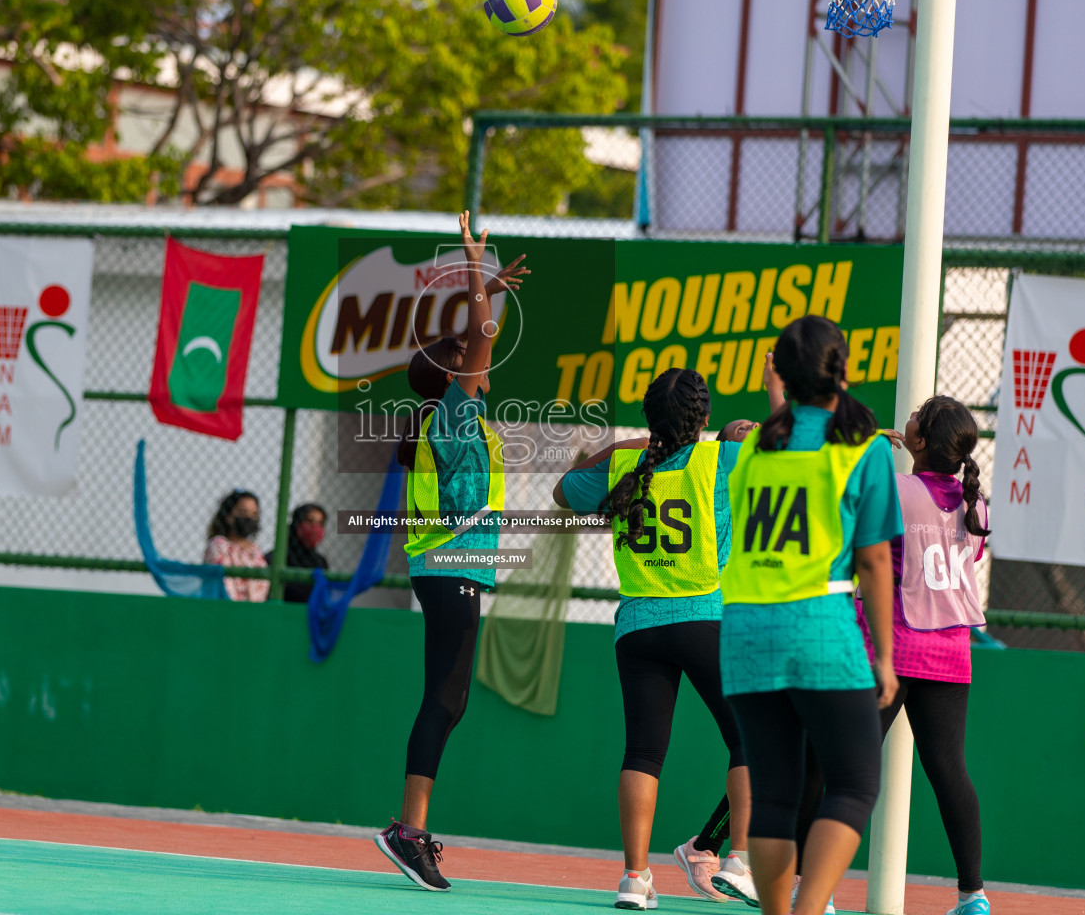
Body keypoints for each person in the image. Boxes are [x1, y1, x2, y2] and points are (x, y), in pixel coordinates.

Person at [551, 368, 762, 910]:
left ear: (649, 421)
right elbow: (795, 453)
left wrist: (630, 443)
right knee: (749, 741)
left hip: (638, 625)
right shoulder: (721, 460)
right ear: (705, 419)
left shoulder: (625, 463)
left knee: (644, 750)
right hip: (703, 617)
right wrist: (747, 430)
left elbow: (562, 490)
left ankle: (634, 879)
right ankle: (737, 859)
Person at [719, 317, 902, 915]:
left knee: (773, 796)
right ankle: (807, 909)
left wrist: (779, 396)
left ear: (783, 378)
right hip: (818, 625)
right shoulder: (864, 449)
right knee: (853, 783)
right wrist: (884, 656)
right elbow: (874, 561)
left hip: (745, 630)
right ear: (841, 371)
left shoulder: (751, 449)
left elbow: (789, 435)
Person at [374, 211, 529, 892]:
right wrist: (478, 273)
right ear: (452, 372)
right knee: (445, 697)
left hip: (445, 569)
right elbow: (482, 335)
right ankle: (408, 830)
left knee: (448, 697)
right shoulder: (455, 411)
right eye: (465, 358)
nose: (478, 362)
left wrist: (487, 287)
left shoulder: (452, 417)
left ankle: (410, 826)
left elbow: (478, 338)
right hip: (450, 569)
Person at [794, 396, 992, 915]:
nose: (911, 413)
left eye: (919, 414)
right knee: (950, 770)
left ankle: (814, 889)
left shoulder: (895, 488)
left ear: (921, 441)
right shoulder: (977, 504)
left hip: (890, 647)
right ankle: (973, 896)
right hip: (950, 654)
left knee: (832, 764)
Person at [203, 489, 269, 601]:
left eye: (254, 514)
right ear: (228, 516)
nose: (249, 518)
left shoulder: (255, 551)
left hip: (252, 613)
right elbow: (224, 584)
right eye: (243, 512)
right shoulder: (219, 545)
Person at [265, 503, 330, 604]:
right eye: (309, 521)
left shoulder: (320, 562)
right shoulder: (276, 558)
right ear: (297, 523)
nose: (315, 528)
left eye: (320, 523)